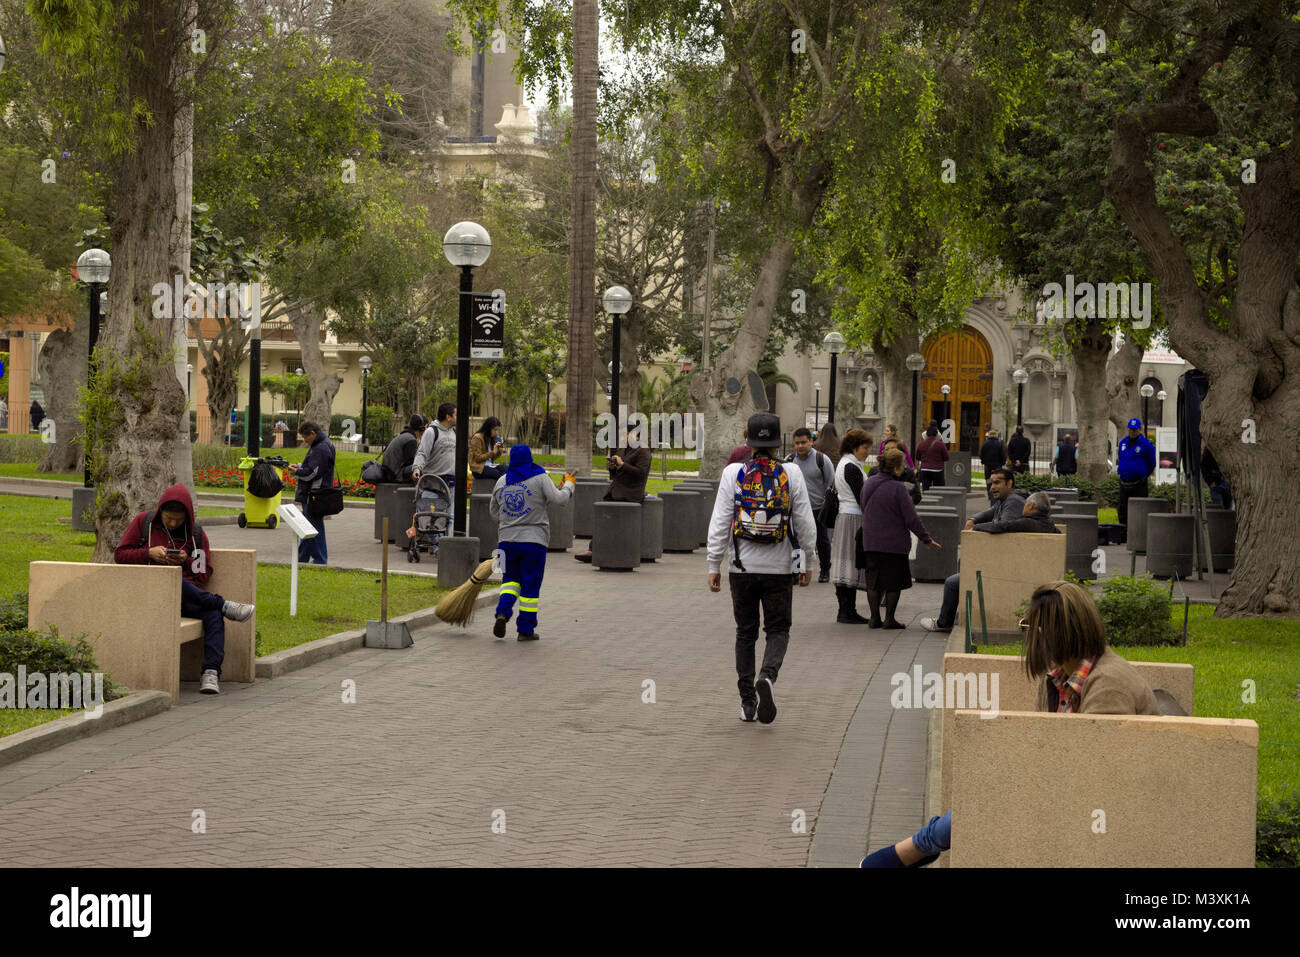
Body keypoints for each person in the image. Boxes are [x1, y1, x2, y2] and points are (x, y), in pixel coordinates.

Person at [864, 580, 1159, 866]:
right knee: (992, 784)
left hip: (1109, 807)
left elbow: (1099, 771)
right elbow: (1043, 744)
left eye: (1032, 628)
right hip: (1069, 789)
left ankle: (921, 846)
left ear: (1059, 632)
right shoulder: (1060, 676)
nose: (1029, 637)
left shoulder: (1109, 685)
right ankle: (925, 844)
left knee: (994, 792)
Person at [706, 413, 816, 724]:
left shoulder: (732, 473)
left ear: (748, 441)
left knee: (745, 633)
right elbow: (805, 523)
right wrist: (806, 560)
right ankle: (767, 676)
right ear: (778, 441)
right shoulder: (791, 473)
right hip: (779, 569)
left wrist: (714, 563)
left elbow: (719, 522)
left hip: (741, 568)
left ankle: (747, 703)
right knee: (778, 629)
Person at [113, 484, 255, 695]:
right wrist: (148, 553)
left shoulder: (195, 533)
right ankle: (223, 604)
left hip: (186, 597)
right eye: (168, 518)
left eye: (177, 520)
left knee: (213, 615)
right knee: (174, 580)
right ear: (160, 511)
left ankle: (210, 672)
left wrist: (186, 560)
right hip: (152, 592)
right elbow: (121, 555)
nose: (172, 523)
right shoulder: (144, 523)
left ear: (186, 517)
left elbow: (204, 573)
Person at [490, 445, 576, 641]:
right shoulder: (540, 477)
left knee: (509, 581)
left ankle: (502, 612)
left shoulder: (501, 481)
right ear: (529, 458)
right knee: (530, 586)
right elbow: (560, 499)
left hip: (505, 542)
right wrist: (569, 485)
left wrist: (512, 518)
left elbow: (494, 513)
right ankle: (525, 630)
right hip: (533, 542)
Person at [858, 448, 941, 629]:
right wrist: (926, 539)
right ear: (896, 467)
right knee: (893, 582)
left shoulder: (869, 482)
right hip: (894, 542)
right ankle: (889, 619)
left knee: (873, 580)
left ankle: (874, 618)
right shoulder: (898, 488)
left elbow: (862, 505)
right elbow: (911, 517)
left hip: (871, 540)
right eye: (902, 465)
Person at [574, 425, 652, 563]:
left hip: (630, 495)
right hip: (615, 491)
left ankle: (597, 550)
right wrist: (612, 468)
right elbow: (617, 473)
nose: (622, 437)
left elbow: (640, 473)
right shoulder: (622, 449)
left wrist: (622, 465)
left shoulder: (643, 451)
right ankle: (594, 549)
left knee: (611, 520)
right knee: (601, 518)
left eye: (624, 434)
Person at [830, 428, 874, 624]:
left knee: (845, 562)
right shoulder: (850, 467)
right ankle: (847, 610)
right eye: (865, 447)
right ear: (854, 447)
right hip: (852, 517)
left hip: (847, 516)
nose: (867, 451)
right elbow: (861, 497)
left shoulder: (848, 463)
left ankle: (846, 609)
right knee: (849, 563)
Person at [785, 427, 835, 583]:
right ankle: (795, 571)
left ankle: (825, 569)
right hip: (796, 509)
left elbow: (831, 482)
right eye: (797, 443)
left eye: (804, 442)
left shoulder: (822, 459)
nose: (800, 446)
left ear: (811, 441)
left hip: (817, 508)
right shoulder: (789, 460)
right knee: (795, 540)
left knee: (821, 540)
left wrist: (826, 504)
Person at [287, 420, 335, 564]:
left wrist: (297, 471)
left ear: (313, 433)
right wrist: (301, 466)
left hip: (314, 494)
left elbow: (313, 473)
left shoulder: (320, 447)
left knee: (313, 527)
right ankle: (302, 558)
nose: (305, 441)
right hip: (316, 493)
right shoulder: (323, 444)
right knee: (308, 526)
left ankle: (320, 559)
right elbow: (316, 466)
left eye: (306, 437)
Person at [1116, 417, 1157, 531]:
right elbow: (1121, 457)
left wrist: (1143, 474)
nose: (1132, 432)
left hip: (1139, 483)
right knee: (1123, 509)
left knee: (1139, 509)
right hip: (1124, 481)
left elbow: (1152, 463)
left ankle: (1138, 532)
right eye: (1130, 429)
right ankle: (1123, 533)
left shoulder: (1146, 445)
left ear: (1140, 430)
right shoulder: (1123, 443)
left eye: (1135, 429)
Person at [412, 402, 458, 500]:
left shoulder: (455, 433)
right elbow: (422, 452)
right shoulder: (431, 432)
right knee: (430, 514)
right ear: (448, 417)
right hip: (432, 484)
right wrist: (416, 468)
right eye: (456, 415)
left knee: (450, 515)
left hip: (451, 484)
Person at [380, 414, 426, 484]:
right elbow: (410, 462)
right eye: (426, 427)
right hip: (395, 475)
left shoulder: (405, 435)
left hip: (389, 473)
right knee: (424, 466)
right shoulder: (411, 440)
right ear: (421, 428)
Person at [469, 416, 507, 483]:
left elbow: (491, 459)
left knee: (509, 470)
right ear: (488, 428)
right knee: (500, 475)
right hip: (478, 469)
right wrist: (492, 452)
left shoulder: (491, 438)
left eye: (497, 430)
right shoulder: (477, 438)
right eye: (495, 430)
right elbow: (477, 458)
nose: (496, 432)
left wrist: (499, 452)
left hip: (490, 466)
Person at [913, 424, 950, 490]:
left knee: (926, 489)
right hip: (938, 470)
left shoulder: (921, 444)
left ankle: (926, 499)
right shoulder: (941, 444)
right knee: (938, 489)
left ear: (926, 434)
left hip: (925, 469)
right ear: (936, 434)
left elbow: (917, 457)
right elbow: (946, 457)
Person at [979, 429, 1006, 503]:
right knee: (997, 480)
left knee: (988, 480)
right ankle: (996, 494)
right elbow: (1003, 454)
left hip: (987, 465)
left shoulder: (985, 443)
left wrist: (983, 461)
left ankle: (989, 494)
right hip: (997, 465)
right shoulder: (999, 444)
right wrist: (1003, 462)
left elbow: (981, 454)